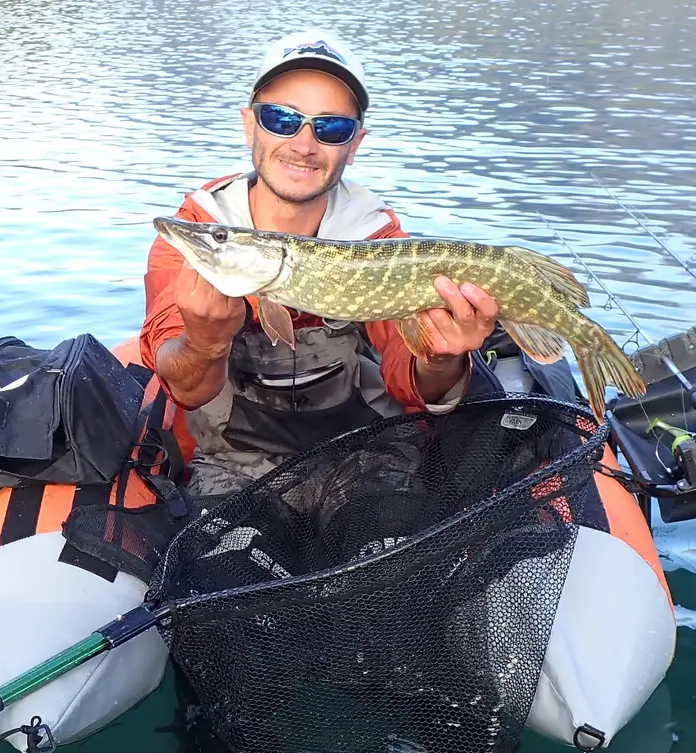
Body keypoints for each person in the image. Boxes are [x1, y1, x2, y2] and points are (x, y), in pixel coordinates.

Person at [141, 29, 504, 500]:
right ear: (249, 125)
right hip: (232, 463)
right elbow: (181, 386)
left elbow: (408, 378)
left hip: (362, 455)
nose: (304, 144)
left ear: (354, 145)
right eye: (281, 118)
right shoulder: (200, 231)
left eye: (331, 128)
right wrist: (205, 343)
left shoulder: (378, 239)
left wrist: (442, 357)